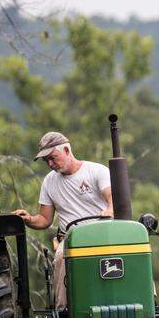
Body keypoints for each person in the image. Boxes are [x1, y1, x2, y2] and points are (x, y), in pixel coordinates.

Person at [13, 132, 113, 308]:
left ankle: (145, 297)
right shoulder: (49, 182)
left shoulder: (97, 171)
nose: (50, 164)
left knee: (131, 250)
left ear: (66, 150)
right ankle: (64, 310)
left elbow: (113, 199)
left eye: (52, 158)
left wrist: (110, 210)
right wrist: (27, 219)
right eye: (47, 161)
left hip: (103, 234)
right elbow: (44, 219)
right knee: (61, 256)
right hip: (72, 239)